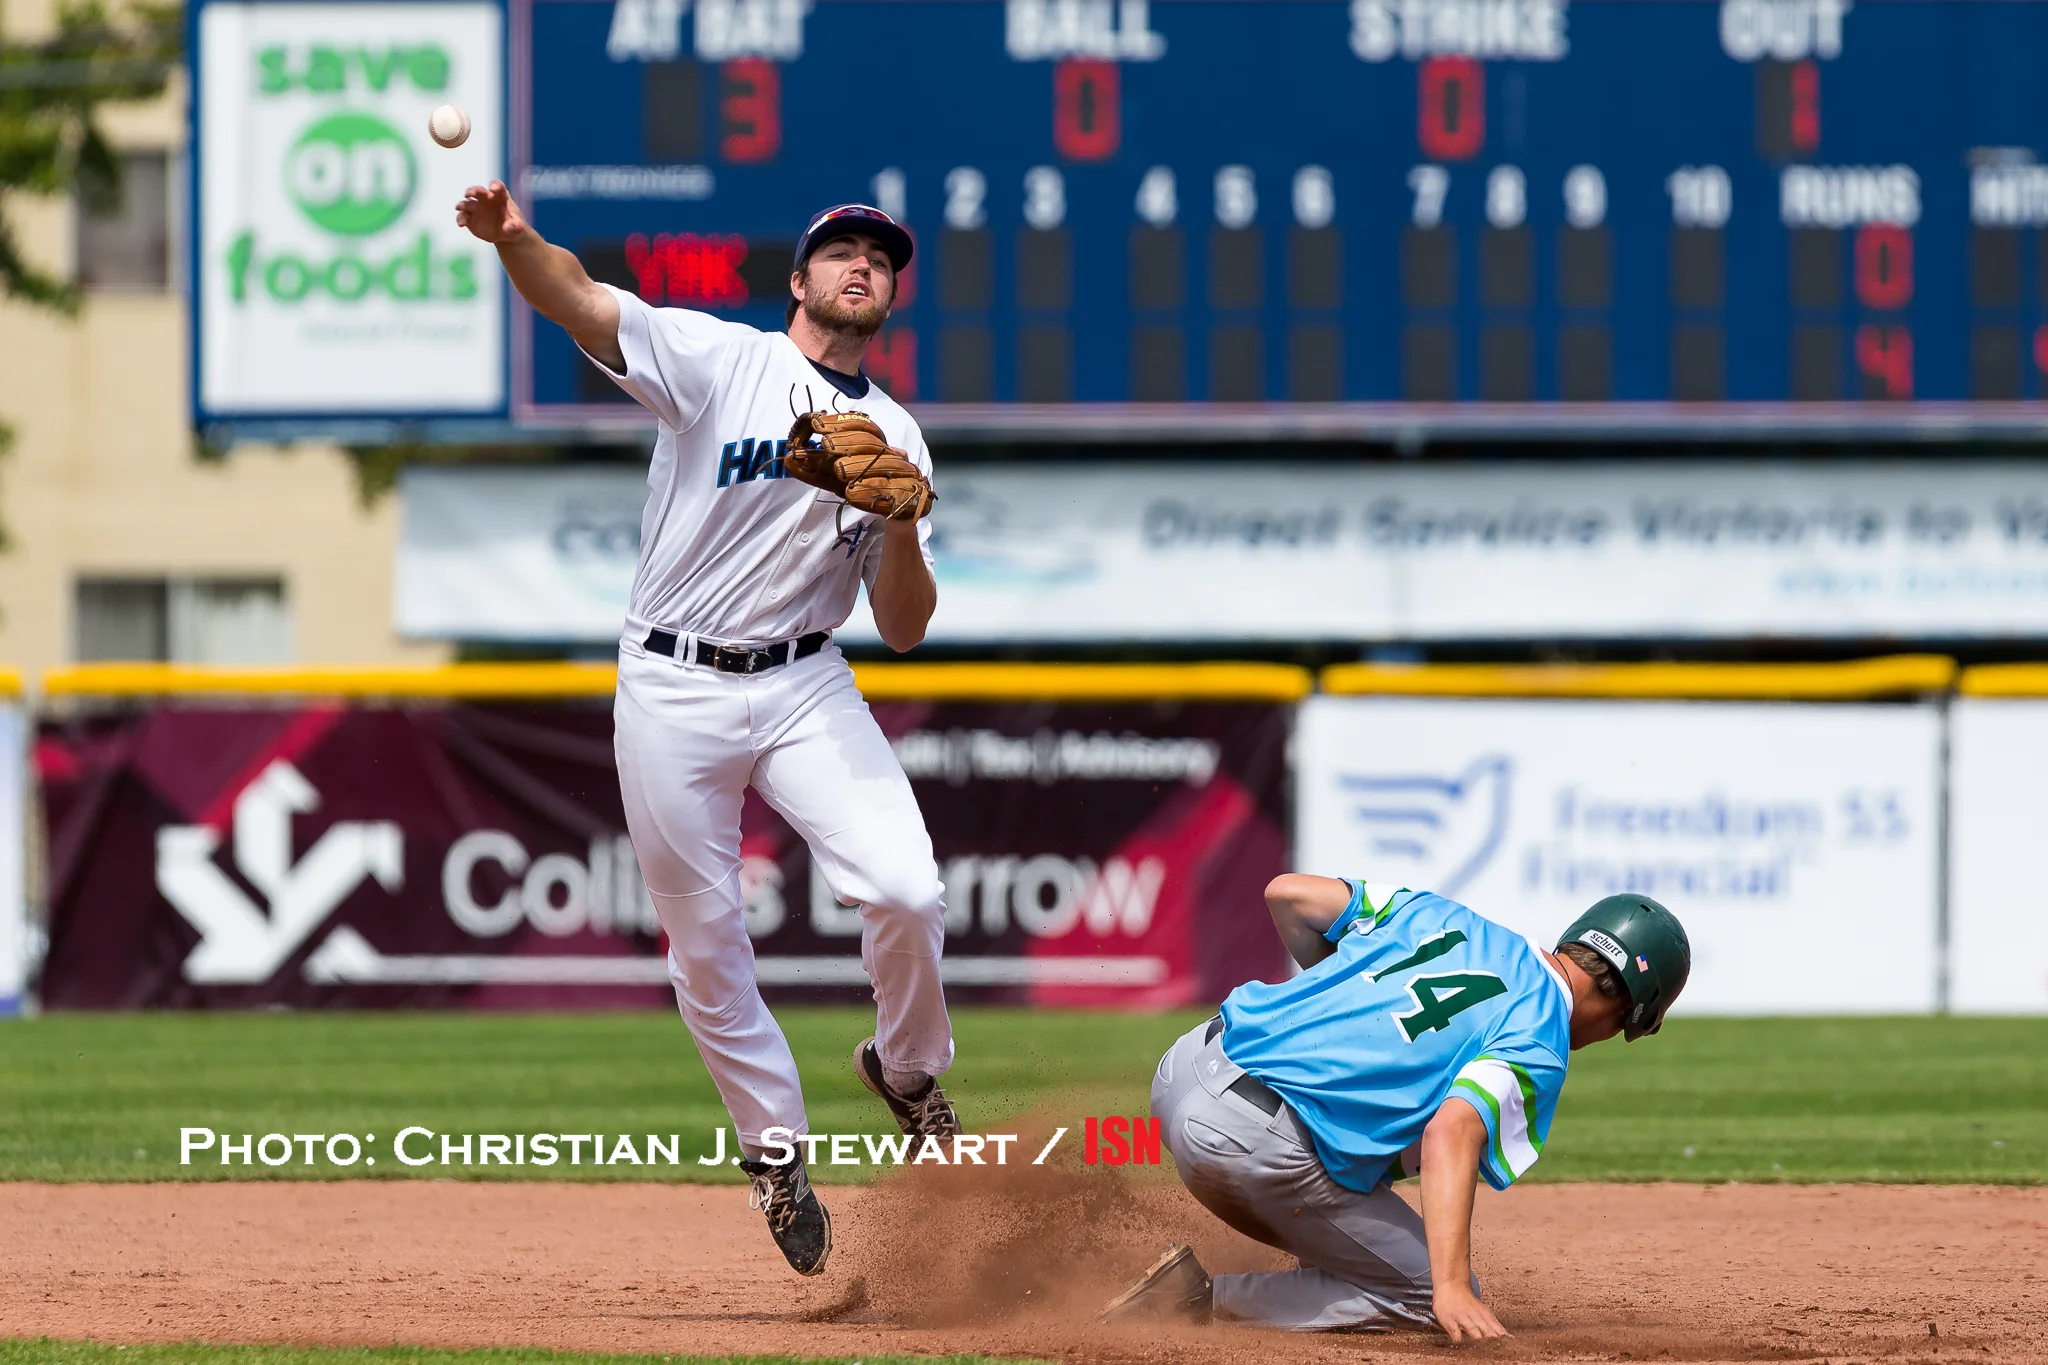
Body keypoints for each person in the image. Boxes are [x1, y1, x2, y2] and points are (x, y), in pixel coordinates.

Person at [454, 185, 959, 1277]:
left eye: (879, 258)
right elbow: (581, 301)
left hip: (805, 680)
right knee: (705, 942)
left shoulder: (902, 436)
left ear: (891, 291)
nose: (861, 266)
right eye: (841, 252)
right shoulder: (721, 362)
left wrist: (900, 525)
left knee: (907, 888)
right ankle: (774, 1151)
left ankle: (908, 1072)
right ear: (799, 280)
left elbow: (905, 628)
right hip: (672, 681)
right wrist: (514, 240)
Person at [1101, 879, 1690, 1338]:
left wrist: (1346, 1002)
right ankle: (1193, 1301)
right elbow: (1450, 1135)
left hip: (1182, 1069)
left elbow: (1287, 893)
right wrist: (1451, 1288)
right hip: (1241, 1145)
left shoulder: (1443, 915)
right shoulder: (1540, 1033)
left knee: (1367, 1142)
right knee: (1427, 1296)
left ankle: (1322, 1254)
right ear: (1630, 1010)